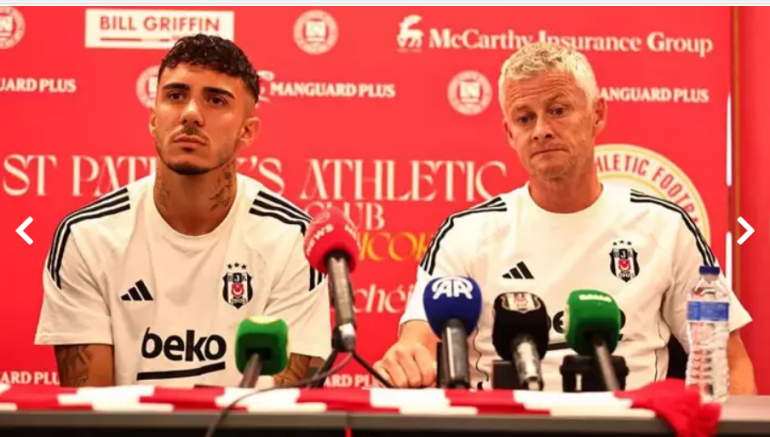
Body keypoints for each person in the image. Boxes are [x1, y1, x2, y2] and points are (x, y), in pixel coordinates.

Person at [373, 42, 757, 394]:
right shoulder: (466, 234)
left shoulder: (665, 227)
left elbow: (730, 360)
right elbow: (418, 341)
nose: (541, 131)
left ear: (597, 114)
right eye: (525, 118)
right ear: (509, 133)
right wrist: (408, 359)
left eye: (558, 111)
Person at [34, 34, 331, 387]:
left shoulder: (294, 240)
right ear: (153, 118)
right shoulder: (87, 236)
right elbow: (90, 407)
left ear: (247, 131)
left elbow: (283, 407)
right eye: (176, 96)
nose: (191, 114)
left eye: (216, 100)